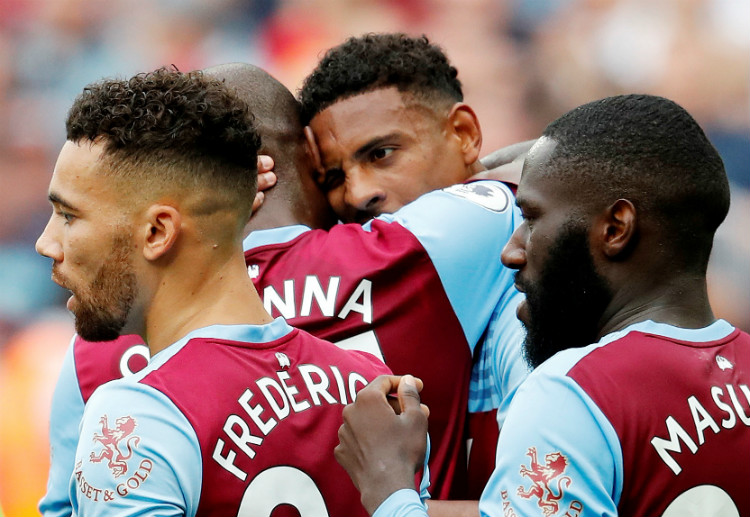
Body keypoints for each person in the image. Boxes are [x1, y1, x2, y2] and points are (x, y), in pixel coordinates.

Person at [39, 61, 523, 515]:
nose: (46, 243)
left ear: (159, 230)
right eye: (334, 176)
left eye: (68, 215)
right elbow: (528, 185)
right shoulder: (378, 390)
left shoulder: (117, 398)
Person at [334, 93, 750, 517]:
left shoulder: (572, 395)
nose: (511, 251)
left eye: (531, 218)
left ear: (615, 228)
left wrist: (390, 490)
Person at [298, 32, 529, 499]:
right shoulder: (377, 295)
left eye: (381, 154)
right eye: (334, 178)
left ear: (463, 134)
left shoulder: (536, 300)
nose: (359, 194)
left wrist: (393, 502)